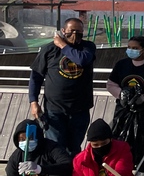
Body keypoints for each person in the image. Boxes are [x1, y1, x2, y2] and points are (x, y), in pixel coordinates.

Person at [28, 17, 97, 155]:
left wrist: (63, 46)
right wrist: (33, 101)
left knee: (74, 148)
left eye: (79, 31)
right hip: (54, 109)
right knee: (56, 148)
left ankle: (72, 169)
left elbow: (82, 60)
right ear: (63, 31)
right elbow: (36, 77)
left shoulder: (88, 47)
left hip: (80, 109)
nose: (75, 34)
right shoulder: (49, 49)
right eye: (72, 31)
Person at [107, 35, 144, 161]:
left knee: (139, 135)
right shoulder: (121, 64)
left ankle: (137, 160)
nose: (131, 50)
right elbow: (111, 84)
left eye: (135, 48)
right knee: (118, 133)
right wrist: (121, 94)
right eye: (129, 47)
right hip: (123, 107)